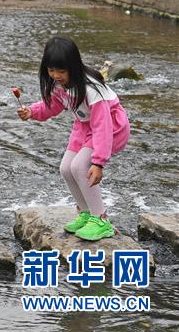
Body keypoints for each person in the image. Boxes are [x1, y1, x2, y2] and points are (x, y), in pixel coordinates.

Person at [17, 37, 130, 241]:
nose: (56, 75)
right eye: (51, 70)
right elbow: (51, 106)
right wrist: (32, 112)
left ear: (73, 66)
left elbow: (102, 126)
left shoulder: (91, 88)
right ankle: (85, 212)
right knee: (66, 168)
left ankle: (101, 219)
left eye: (61, 71)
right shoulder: (58, 84)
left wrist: (98, 162)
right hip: (84, 125)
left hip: (111, 127)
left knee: (79, 166)